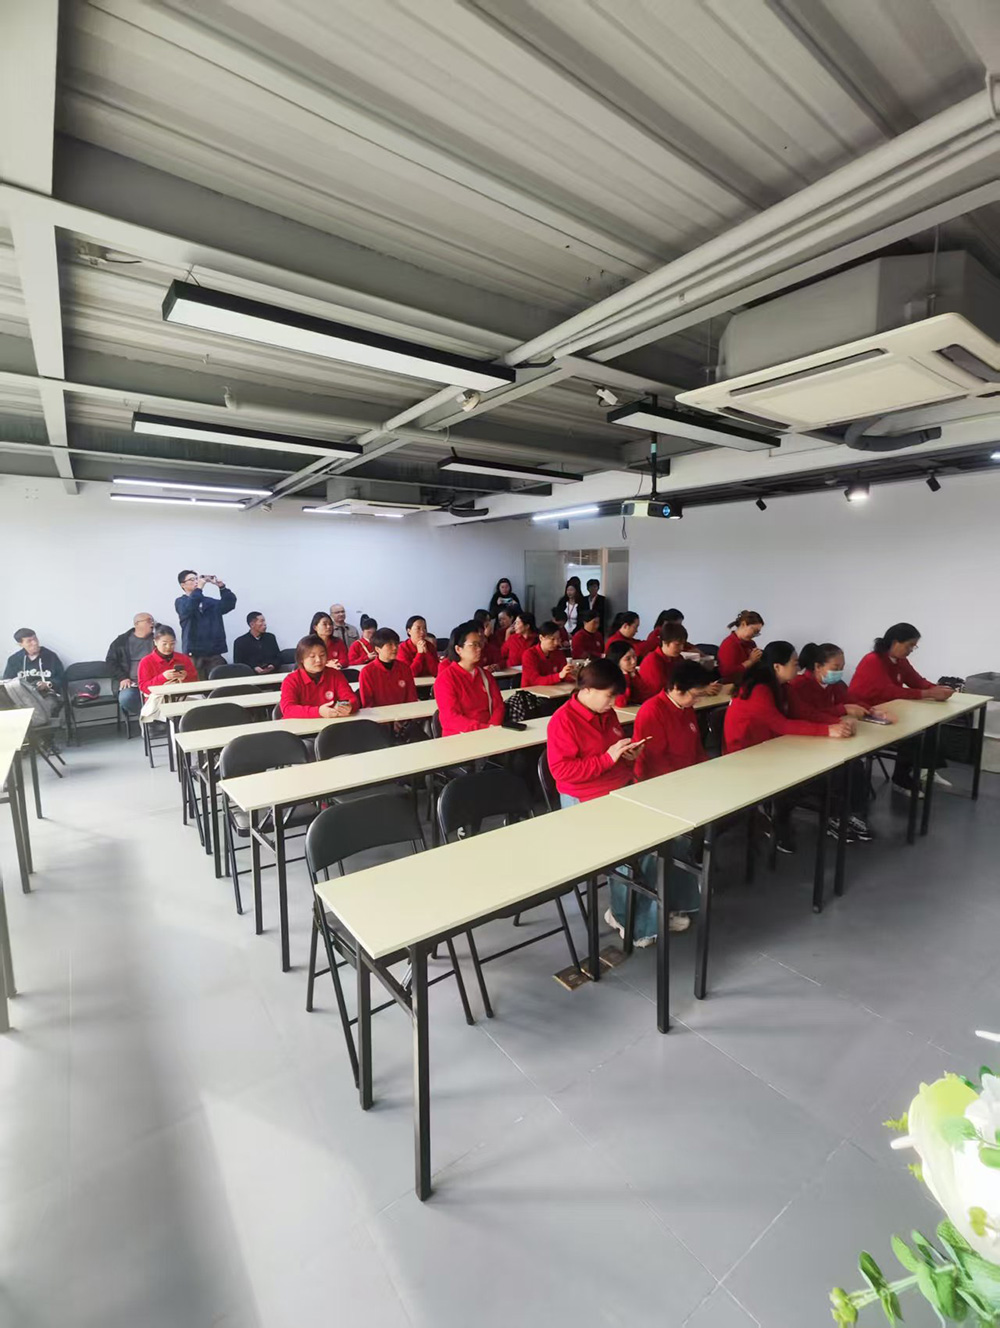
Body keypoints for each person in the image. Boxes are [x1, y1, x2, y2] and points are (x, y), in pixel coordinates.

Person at [546, 657, 690, 943]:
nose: (613, 703)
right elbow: (561, 772)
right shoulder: (563, 721)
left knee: (675, 836)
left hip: (620, 789)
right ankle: (627, 918)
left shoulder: (606, 714)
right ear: (587, 690)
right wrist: (608, 758)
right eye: (609, 696)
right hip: (585, 800)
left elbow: (613, 757)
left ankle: (662, 905)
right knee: (636, 852)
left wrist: (627, 757)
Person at [724, 641, 853, 853]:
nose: (798, 667)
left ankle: (782, 818)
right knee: (795, 778)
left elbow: (804, 712)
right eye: (794, 663)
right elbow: (781, 725)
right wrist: (827, 730)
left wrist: (836, 722)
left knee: (813, 770)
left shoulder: (783, 686)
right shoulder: (759, 690)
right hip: (746, 754)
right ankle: (778, 823)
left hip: (771, 746)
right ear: (777, 666)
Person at [790, 642, 897, 841]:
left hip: (829, 738)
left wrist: (872, 711)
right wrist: (841, 712)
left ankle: (849, 814)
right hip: (805, 741)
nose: (839, 672)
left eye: (842, 667)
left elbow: (849, 700)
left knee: (855, 767)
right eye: (835, 667)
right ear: (818, 666)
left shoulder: (833, 685)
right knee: (839, 772)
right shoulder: (799, 685)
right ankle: (833, 817)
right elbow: (806, 714)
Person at [849, 623, 954, 793]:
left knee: (931, 726)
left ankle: (925, 769)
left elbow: (916, 681)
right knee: (912, 734)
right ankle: (901, 779)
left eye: (914, 646)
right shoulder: (873, 660)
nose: (911, 650)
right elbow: (889, 691)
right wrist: (928, 693)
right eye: (909, 645)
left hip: (888, 709)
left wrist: (937, 689)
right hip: (865, 712)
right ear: (895, 642)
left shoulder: (900, 661)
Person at [633, 659, 712, 783]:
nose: (699, 700)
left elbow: (697, 746)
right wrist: (682, 781)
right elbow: (656, 760)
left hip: (688, 773)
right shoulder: (652, 711)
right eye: (696, 695)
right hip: (661, 779)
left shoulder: (686, 707)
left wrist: (706, 769)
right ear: (677, 687)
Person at [435, 621, 505, 735]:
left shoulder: (486, 676)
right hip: (459, 737)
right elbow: (451, 718)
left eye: (480, 644)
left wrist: (493, 727)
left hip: (489, 733)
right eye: (474, 645)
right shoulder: (445, 679)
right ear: (458, 649)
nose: (479, 649)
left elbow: (498, 706)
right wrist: (484, 729)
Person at [175, 570, 237, 678]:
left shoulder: (209, 602)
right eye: (192, 579)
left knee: (218, 681)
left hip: (213, 652)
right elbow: (189, 608)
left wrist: (222, 587)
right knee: (196, 682)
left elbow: (229, 604)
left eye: (197, 579)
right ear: (183, 585)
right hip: (194, 652)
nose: (196, 581)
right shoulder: (181, 602)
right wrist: (199, 589)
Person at [280, 636, 359, 719]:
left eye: (322, 655)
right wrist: (318, 712)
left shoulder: (335, 674)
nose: (318, 660)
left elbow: (352, 699)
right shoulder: (291, 680)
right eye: (312, 656)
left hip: (332, 723)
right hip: (301, 725)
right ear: (301, 659)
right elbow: (288, 709)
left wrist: (349, 706)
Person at [106, 613, 156, 717]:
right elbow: (111, 662)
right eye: (149, 621)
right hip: (132, 684)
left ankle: (154, 717)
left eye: (152, 621)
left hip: (154, 682)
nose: (152, 624)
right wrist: (122, 678)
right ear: (137, 624)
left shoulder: (157, 640)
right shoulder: (121, 642)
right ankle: (148, 717)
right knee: (126, 697)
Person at [357, 628, 417, 707]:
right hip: (379, 714)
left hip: (405, 712)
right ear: (377, 649)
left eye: (396, 644)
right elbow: (368, 704)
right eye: (390, 645)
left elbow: (412, 697)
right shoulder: (367, 672)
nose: (395, 648)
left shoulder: (404, 668)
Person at [4, 628, 65, 705]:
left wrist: (48, 684)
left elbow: (61, 677)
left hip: (47, 694)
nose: (35, 643)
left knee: (47, 705)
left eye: (35, 639)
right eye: (29, 641)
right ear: (20, 644)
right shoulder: (14, 660)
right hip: (23, 696)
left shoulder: (51, 656)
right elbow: (7, 682)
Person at [136, 624, 197, 697]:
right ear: (155, 642)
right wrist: (163, 677)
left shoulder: (183, 658)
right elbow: (143, 687)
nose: (168, 647)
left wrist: (185, 677)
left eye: (172, 644)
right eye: (164, 644)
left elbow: (195, 682)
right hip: (158, 698)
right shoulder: (146, 661)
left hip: (183, 696)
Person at [638, 621, 688, 695]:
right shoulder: (652, 660)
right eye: (677, 644)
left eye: (683, 644)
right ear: (664, 642)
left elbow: (687, 679)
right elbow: (660, 690)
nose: (681, 648)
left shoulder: (678, 658)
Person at [521, 621, 576, 687]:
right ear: (541, 638)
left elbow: (564, 675)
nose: (556, 643)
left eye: (558, 639)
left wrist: (573, 675)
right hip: (531, 691)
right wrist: (559, 676)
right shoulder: (529, 654)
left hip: (554, 689)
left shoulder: (558, 653)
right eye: (552, 639)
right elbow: (535, 680)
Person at [717, 610, 764, 683]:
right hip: (733, 683)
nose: (754, 635)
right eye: (754, 631)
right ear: (743, 624)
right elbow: (727, 672)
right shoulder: (729, 644)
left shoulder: (751, 643)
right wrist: (750, 662)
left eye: (757, 633)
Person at [605, 638, 653, 708]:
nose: (633, 662)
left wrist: (634, 677)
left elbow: (646, 696)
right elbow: (621, 702)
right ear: (617, 662)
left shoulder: (633, 673)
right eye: (628, 659)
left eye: (634, 656)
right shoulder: (611, 678)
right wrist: (625, 677)